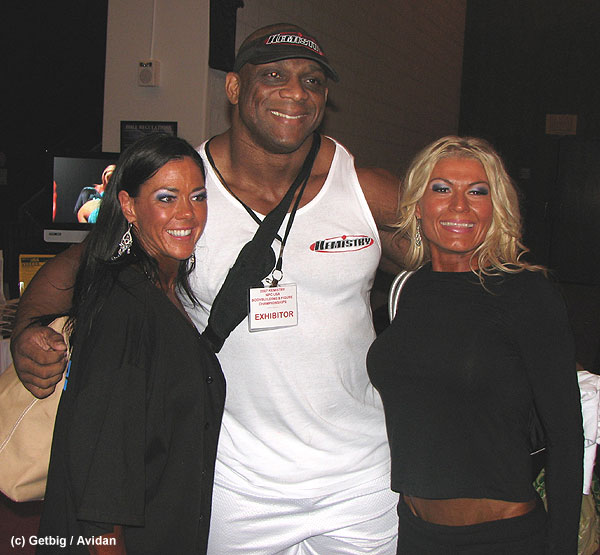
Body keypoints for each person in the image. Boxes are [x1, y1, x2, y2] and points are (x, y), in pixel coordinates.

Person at [12, 23, 403, 553]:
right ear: (235, 88)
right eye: (274, 75)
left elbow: (457, 262)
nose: (296, 92)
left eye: (312, 80)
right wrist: (27, 332)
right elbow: (72, 270)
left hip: (360, 479)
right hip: (234, 484)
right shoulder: (184, 192)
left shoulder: (363, 188)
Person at [367, 136, 583, 554]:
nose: (459, 206)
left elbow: (565, 436)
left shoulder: (526, 294)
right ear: (418, 205)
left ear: (495, 208)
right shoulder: (405, 290)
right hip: (414, 533)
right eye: (441, 189)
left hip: (501, 540)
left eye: (477, 192)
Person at [37, 133, 225, 553]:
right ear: (128, 206)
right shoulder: (127, 303)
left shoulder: (163, 289)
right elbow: (103, 470)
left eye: (197, 197)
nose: (187, 213)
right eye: (166, 198)